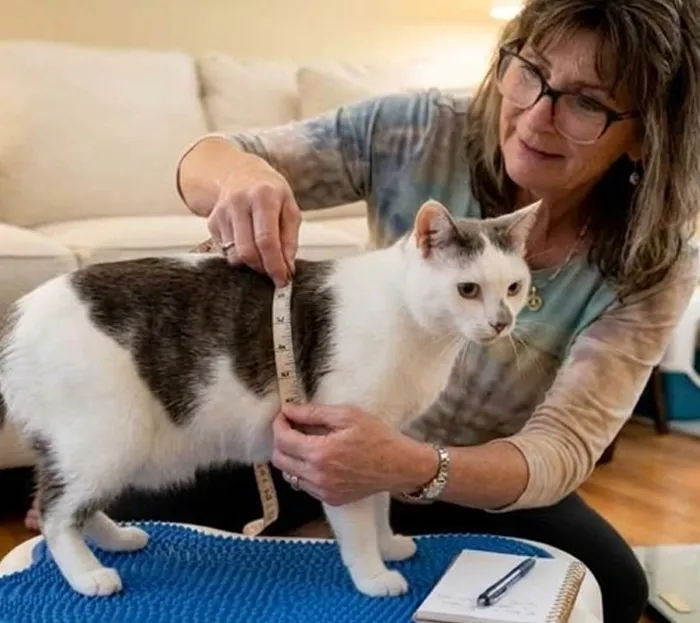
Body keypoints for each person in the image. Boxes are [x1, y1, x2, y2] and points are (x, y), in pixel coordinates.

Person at [21, 0, 698, 621]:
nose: (537, 115)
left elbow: (563, 449)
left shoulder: (654, 262)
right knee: (125, 495)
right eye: (531, 72)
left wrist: (413, 466)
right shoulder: (418, 128)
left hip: (474, 475)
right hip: (296, 443)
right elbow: (211, 157)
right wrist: (243, 177)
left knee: (612, 583)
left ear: (646, 133)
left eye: (586, 103)